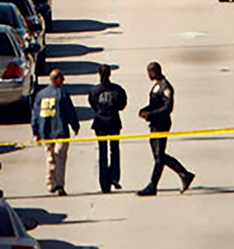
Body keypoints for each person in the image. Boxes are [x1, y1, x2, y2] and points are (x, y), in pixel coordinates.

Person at [137, 61, 194, 196]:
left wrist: (151, 114)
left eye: (150, 72)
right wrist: (145, 110)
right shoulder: (156, 86)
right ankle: (184, 174)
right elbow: (155, 104)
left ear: (155, 71)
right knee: (159, 155)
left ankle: (153, 186)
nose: (148, 75)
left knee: (159, 156)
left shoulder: (165, 87)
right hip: (155, 124)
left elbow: (168, 108)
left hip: (162, 124)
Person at [31, 69, 79, 196]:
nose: (63, 82)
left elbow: (35, 114)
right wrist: (75, 125)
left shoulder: (40, 95)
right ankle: (59, 184)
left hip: (45, 131)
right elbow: (70, 112)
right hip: (60, 131)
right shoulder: (62, 94)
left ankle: (50, 183)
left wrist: (35, 131)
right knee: (60, 157)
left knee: (50, 158)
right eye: (62, 79)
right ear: (56, 79)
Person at [88, 64, 128, 193]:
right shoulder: (117, 90)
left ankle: (105, 181)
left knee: (103, 152)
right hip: (113, 121)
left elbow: (93, 104)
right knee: (114, 150)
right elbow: (122, 105)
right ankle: (113, 176)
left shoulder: (94, 91)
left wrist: (101, 110)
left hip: (101, 122)